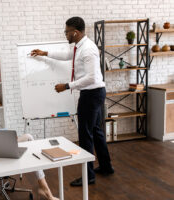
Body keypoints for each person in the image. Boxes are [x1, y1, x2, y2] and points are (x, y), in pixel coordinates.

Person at [30, 16, 114, 187]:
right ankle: (106, 167)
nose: (65, 34)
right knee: (96, 131)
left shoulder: (88, 49)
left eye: (67, 32)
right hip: (94, 94)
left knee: (85, 136)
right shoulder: (79, 46)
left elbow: (91, 78)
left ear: (75, 32)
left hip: (91, 94)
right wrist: (45, 53)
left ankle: (88, 176)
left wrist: (67, 86)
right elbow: (68, 55)